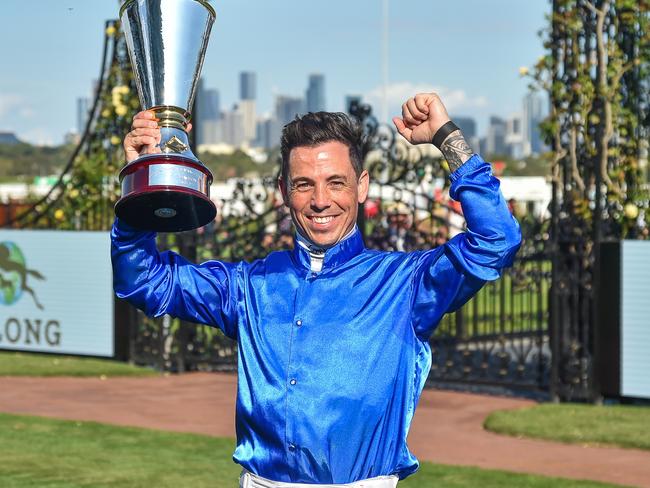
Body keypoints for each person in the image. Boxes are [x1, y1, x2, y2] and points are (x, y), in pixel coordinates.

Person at [112, 92, 521, 487]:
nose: (320, 200)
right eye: (304, 184)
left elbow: (497, 240)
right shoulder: (249, 286)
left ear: (361, 186)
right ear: (283, 191)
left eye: (336, 182)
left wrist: (448, 140)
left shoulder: (405, 283)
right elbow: (143, 279)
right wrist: (140, 181)